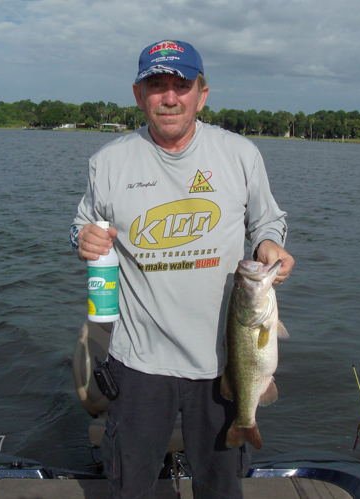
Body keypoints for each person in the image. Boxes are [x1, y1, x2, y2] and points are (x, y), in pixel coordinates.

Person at [71, 39, 294, 499]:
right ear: (139, 95)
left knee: (220, 487)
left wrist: (269, 243)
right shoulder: (108, 162)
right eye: (156, 86)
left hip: (222, 362)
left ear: (201, 95)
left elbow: (266, 221)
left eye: (182, 85)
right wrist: (82, 238)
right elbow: (82, 224)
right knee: (130, 487)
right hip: (139, 360)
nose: (169, 97)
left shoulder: (240, 154)